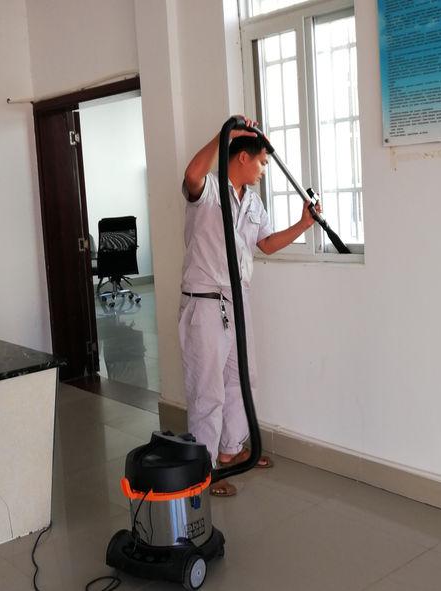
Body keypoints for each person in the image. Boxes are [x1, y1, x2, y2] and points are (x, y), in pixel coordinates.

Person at [179, 115, 321, 497]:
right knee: (207, 390)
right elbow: (191, 174)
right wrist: (223, 132)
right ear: (242, 157)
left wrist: (303, 225)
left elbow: (267, 244)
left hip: (236, 299)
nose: (263, 170)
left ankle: (230, 449)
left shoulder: (253, 202)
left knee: (242, 377)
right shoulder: (208, 189)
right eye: (261, 162)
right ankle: (204, 471)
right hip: (205, 301)